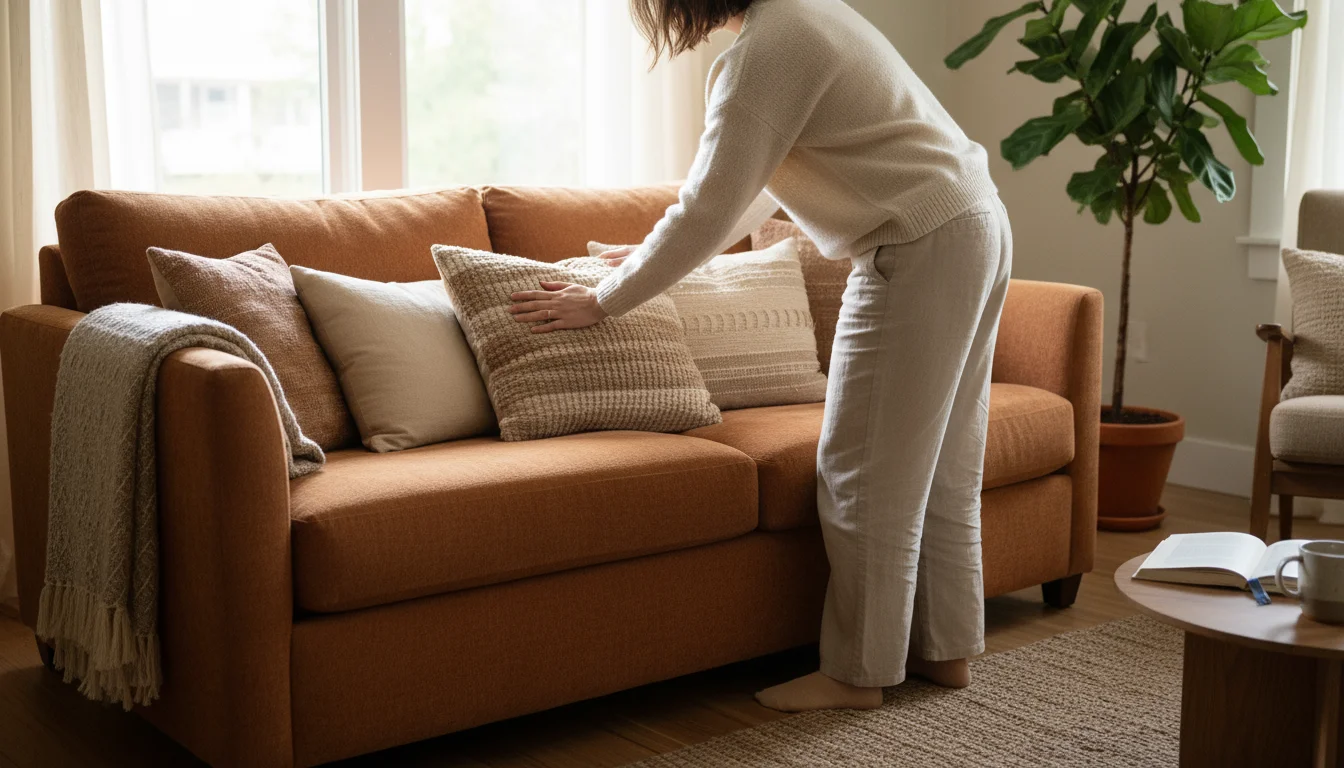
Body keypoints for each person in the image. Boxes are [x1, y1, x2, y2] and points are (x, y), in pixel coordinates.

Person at [507, 0, 1010, 713]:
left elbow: (711, 201)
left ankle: (859, 674)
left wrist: (605, 298)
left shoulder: (767, 51)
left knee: (861, 472)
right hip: (972, 224)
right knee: (943, 464)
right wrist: (649, 258)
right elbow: (757, 178)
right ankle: (945, 649)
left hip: (916, 247)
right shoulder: (808, 14)